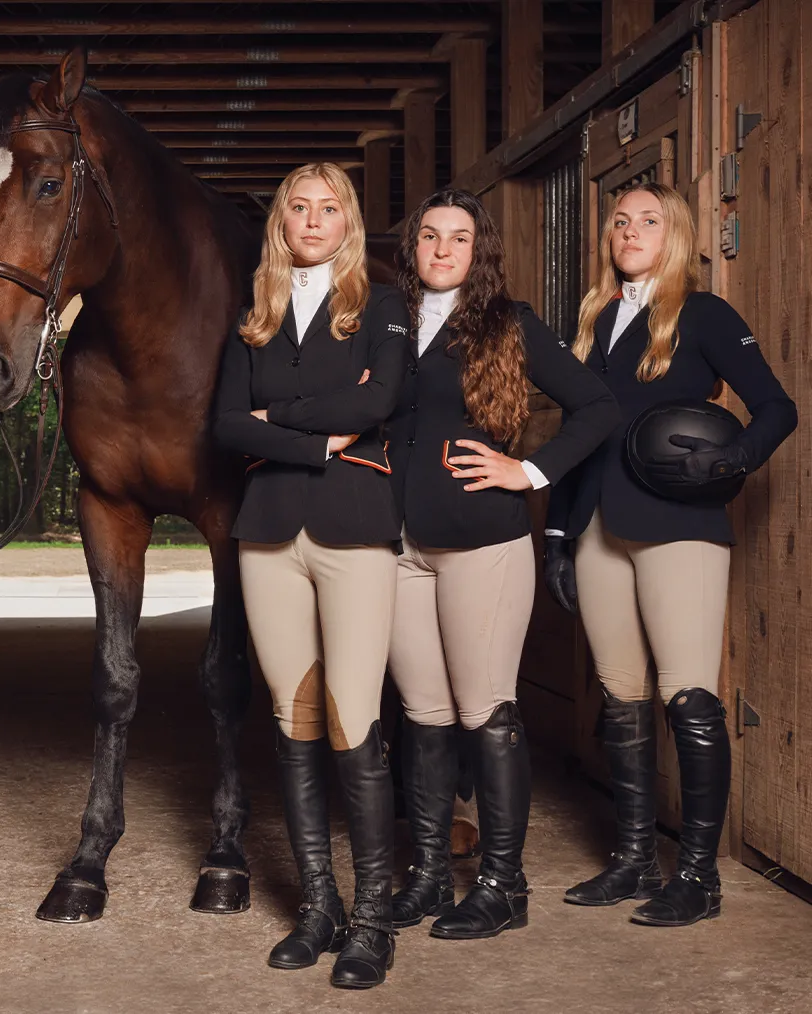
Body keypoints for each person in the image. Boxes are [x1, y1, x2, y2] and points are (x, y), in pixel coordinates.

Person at [545, 182, 796, 926]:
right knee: (620, 697)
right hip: (596, 526)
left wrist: (733, 461)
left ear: (676, 233)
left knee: (687, 695)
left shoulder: (705, 313)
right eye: (620, 221)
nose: (630, 230)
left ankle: (696, 875)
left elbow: (778, 406)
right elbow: (574, 437)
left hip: (679, 523)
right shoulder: (591, 319)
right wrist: (558, 535)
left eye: (648, 220)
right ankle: (630, 859)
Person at [383, 189, 617, 939]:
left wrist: (531, 473)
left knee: (487, 712)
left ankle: (502, 886)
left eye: (458, 238)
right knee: (423, 718)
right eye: (429, 236)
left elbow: (599, 408)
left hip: (484, 544)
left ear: (478, 250)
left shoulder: (509, 324)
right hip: (400, 549)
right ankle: (426, 877)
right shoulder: (384, 325)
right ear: (412, 248)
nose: (443, 249)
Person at [213, 162, 409, 990]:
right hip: (266, 535)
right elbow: (223, 425)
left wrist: (277, 422)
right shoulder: (253, 318)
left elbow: (378, 405)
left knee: (352, 716)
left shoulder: (382, 306)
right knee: (292, 722)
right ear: (282, 221)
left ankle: (372, 918)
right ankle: (318, 907)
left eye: (331, 209)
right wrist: (314, 435)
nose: (314, 220)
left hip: (356, 528)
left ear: (349, 222)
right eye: (301, 207)